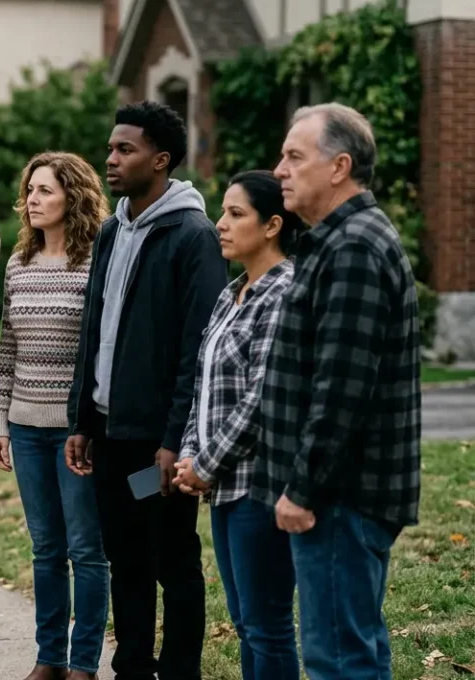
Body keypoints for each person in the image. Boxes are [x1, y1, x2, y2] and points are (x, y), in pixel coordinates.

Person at [65, 101, 228, 680]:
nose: (110, 159)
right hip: (109, 432)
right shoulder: (112, 229)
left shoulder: (192, 234)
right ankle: (131, 664)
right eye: (110, 148)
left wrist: (174, 440)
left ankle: (181, 669)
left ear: (159, 161)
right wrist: (82, 419)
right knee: (125, 559)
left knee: (173, 559)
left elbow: (197, 349)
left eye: (124, 150)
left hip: (158, 441)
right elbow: (94, 328)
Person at [260, 103, 421, 680]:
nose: (279, 168)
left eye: (294, 156)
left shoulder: (353, 247)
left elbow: (341, 390)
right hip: (342, 494)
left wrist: (301, 490)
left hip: (340, 497)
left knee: (337, 661)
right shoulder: (337, 240)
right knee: (353, 651)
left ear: (339, 167)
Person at [171, 170, 302, 680]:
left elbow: (262, 396)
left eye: (235, 213)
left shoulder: (284, 292)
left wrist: (204, 463)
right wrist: (189, 455)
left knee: (266, 626)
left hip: (262, 484)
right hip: (222, 486)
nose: (220, 224)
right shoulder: (232, 294)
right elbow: (204, 385)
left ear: (272, 225)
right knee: (248, 623)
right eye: (222, 212)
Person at [0, 152, 109, 680]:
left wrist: (91, 424)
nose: (32, 200)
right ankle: (49, 658)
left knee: (86, 549)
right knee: (45, 549)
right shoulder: (18, 264)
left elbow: (103, 349)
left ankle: (83, 662)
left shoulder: (96, 261)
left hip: (75, 431)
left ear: (73, 199)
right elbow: (8, 349)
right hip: (25, 426)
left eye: (44, 191)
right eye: (30, 191)